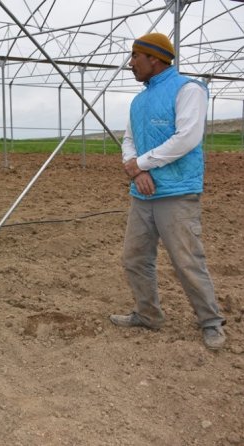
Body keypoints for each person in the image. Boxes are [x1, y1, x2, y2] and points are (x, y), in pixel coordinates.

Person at [109, 33, 226, 350]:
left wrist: (141, 166)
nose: (131, 63)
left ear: (155, 59)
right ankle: (148, 315)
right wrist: (134, 168)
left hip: (176, 192)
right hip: (142, 194)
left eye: (135, 56)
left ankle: (211, 322)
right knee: (134, 258)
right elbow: (128, 140)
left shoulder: (188, 90)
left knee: (187, 260)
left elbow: (186, 138)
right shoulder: (139, 100)